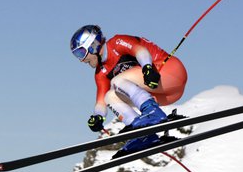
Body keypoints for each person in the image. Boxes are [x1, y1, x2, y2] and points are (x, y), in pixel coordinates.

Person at [70, 25, 188, 154]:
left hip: (169, 73)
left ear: (93, 45)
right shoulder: (100, 73)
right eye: (77, 55)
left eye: (81, 53)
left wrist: (147, 68)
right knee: (109, 96)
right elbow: (101, 101)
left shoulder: (116, 43)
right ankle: (143, 134)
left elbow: (140, 50)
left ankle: (152, 112)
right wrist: (98, 117)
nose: (81, 60)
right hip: (163, 95)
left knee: (116, 81)